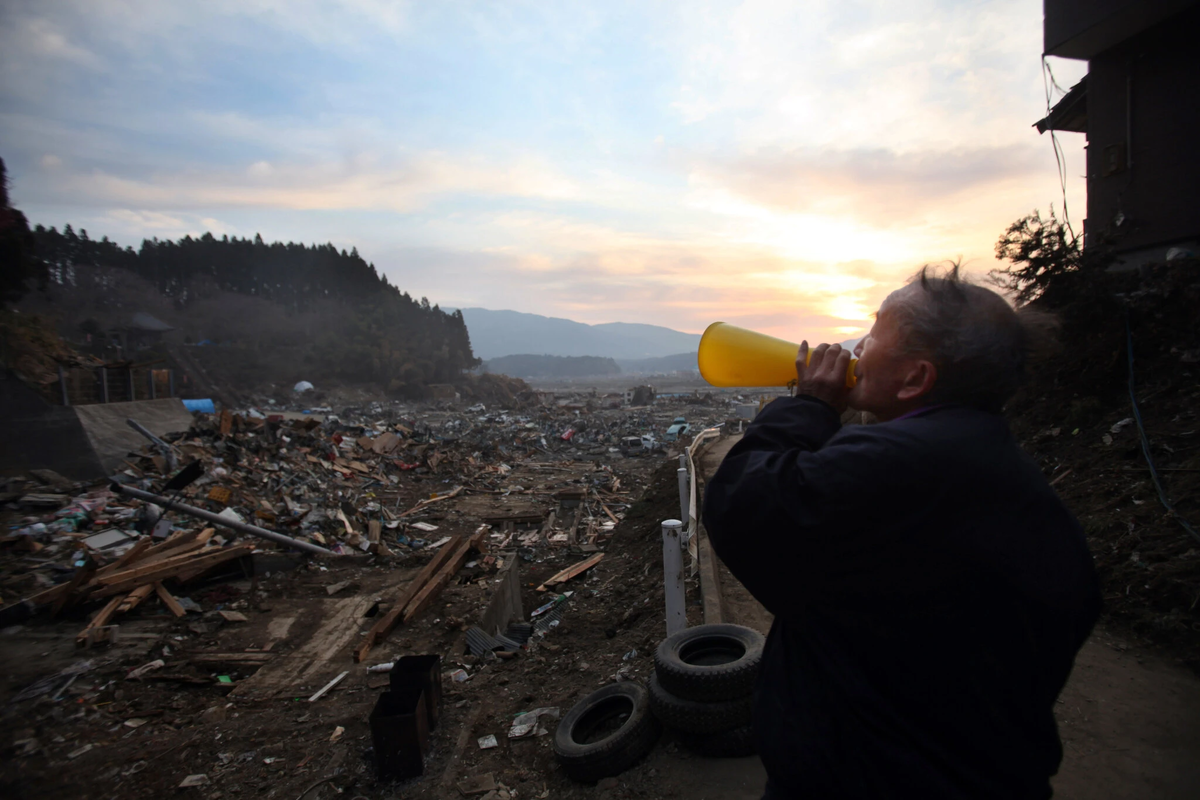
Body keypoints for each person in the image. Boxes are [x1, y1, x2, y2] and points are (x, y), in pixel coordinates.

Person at [703, 266, 1101, 799]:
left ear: (916, 379)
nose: (856, 348)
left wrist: (811, 406)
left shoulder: (896, 463)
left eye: (872, 334)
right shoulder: (1002, 471)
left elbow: (742, 505)